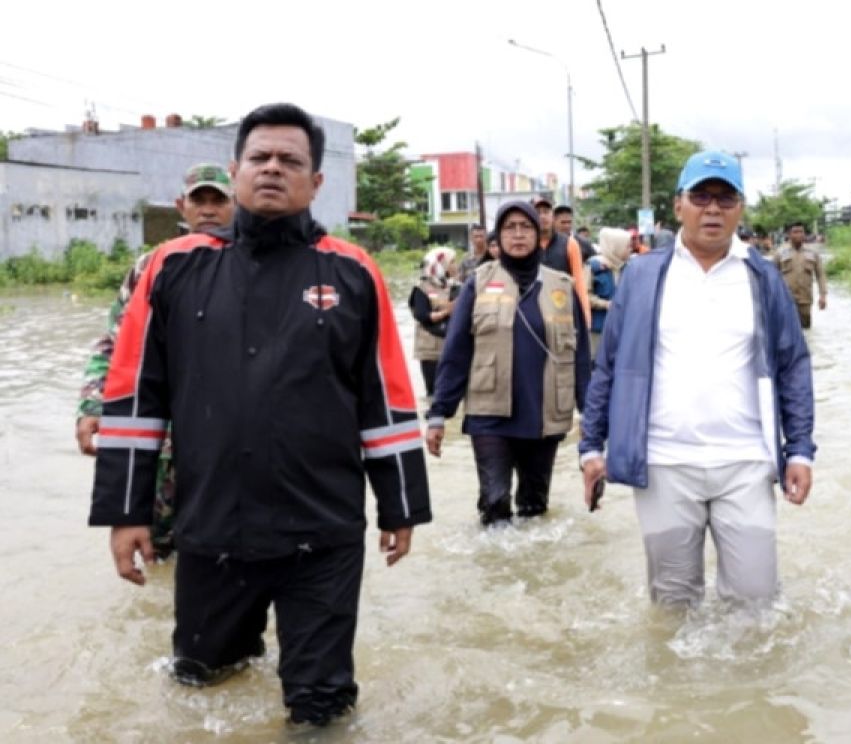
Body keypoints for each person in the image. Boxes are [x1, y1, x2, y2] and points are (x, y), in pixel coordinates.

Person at [89, 103, 431, 727]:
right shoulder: (175, 268)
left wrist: (401, 505)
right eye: (260, 157)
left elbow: (385, 396)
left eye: (291, 160)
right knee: (200, 687)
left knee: (322, 708)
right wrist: (125, 512)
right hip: (210, 529)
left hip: (323, 534)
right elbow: (137, 396)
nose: (273, 169)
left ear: (316, 182)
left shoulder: (352, 272)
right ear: (236, 168)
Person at [580, 150, 816, 607]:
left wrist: (801, 450)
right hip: (663, 462)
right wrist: (592, 445)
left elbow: (793, 367)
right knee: (672, 605)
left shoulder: (762, 278)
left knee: (755, 603)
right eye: (701, 197)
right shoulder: (643, 275)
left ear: (741, 208)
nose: (713, 209)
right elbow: (609, 365)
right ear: (678, 205)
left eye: (725, 199)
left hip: (746, 461)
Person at [76, 163, 236, 558]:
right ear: (182, 206)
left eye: (220, 200)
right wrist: (93, 403)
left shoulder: (253, 265)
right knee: (158, 553)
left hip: (230, 443)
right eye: (200, 200)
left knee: (230, 553)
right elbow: (116, 342)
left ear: (238, 205)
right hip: (162, 437)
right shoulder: (152, 267)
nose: (209, 210)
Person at [425, 201, 590, 524]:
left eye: (525, 227)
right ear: (498, 237)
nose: (518, 234)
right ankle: (495, 570)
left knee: (535, 508)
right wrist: (438, 414)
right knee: (495, 502)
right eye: (509, 227)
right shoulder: (479, 282)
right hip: (489, 414)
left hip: (544, 413)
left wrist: (592, 417)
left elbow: (580, 357)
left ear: (538, 234)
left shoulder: (562, 287)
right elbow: (456, 352)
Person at [408, 246, 460, 397]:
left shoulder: (455, 286)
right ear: (440, 264)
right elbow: (422, 315)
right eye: (452, 262)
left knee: (452, 392)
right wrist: (447, 311)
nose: (455, 266)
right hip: (429, 349)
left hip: (451, 345)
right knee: (433, 394)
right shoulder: (421, 287)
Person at [534, 197, 590, 328]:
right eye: (538, 212)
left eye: (546, 212)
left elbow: (579, 283)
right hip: (536, 314)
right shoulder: (526, 245)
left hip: (563, 312)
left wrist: (585, 317)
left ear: (552, 216)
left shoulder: (569, 244)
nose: (542, 216)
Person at [585, 227, 633, 359]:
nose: (631, 250)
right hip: (598, 329)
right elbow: (584, 295)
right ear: (615, 247)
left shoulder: (629, 268)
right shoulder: (594, 266)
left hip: (623, 327)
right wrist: (605, 304)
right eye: (627, 246)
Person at [773, 221, 828, 329]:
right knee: (787, 330)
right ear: (789, 234)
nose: (799, 235)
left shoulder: (813, 253)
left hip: (805, 300)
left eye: (801, 232)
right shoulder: (780, 253)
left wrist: (823, 296)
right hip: (785, 300)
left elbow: (820, 275)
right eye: (795, 232)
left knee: (806, 331)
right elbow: (771, 277)